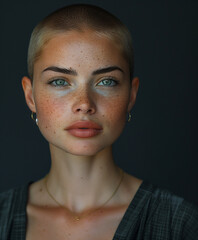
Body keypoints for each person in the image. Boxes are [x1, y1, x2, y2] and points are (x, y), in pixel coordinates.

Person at [0, 4, 198, 240]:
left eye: (106, 82)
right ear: (30, 96)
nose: (84, 103)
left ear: (131, 95)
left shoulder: (180, 224)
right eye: (60, 82)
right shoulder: (3, 219)